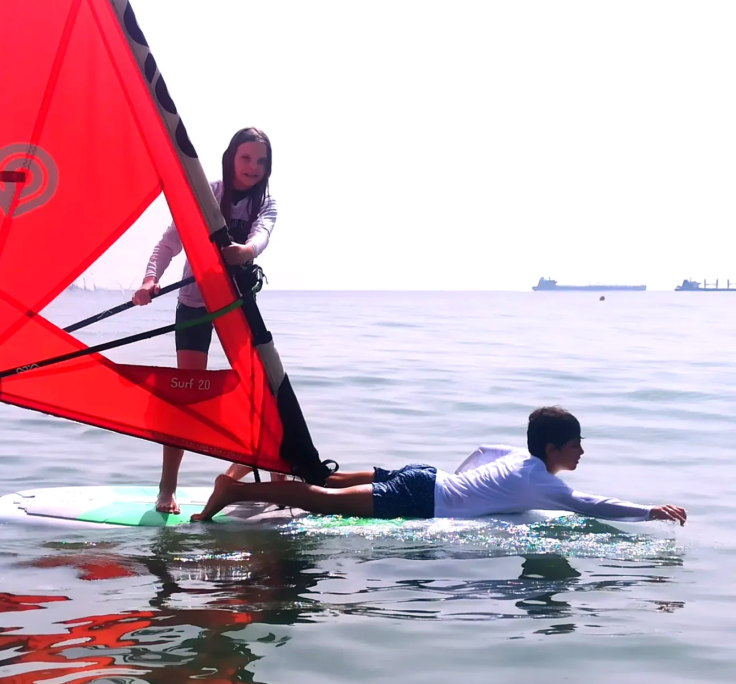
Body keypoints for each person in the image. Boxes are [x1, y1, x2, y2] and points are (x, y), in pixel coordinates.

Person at [132, 127, 285, 514]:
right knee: (187, 396)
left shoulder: (266, 204)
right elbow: (169, 243)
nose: (253, 167)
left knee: (264, 393)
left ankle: (266, 483)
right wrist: (151, 279)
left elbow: (261, 236)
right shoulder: (207, 195)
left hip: (236, 307)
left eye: (261, 161)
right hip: (194, 305)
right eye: (246, 157)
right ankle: (167, 490)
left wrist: (246, 250)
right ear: (232, 156)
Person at [190, 406, 688, 525]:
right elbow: (589, 505)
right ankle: (233, 493)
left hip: (428, 475)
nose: (582, 452)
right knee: (328, 502)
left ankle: (277, 469)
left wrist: (464, 484)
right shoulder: (545, 485)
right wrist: (648, 512)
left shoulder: (519, 456)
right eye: (577, 444)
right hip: (427, 497)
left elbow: (482, 452)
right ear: (554, 448)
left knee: (329, 478)